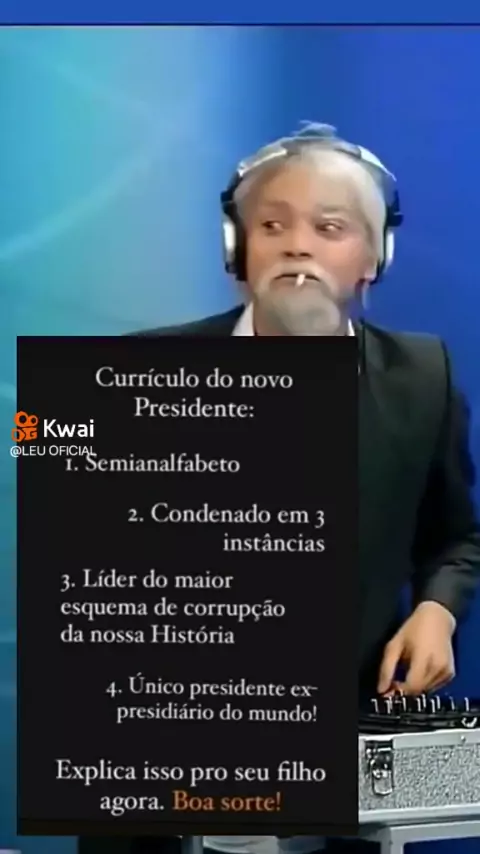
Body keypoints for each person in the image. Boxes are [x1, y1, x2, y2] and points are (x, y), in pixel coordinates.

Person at [79, 123, 480, 854]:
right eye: (272, 226)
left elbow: (456, 535)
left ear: (374, 259)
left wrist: (437, 611)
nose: (298, 246)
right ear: (237, 251)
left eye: (330, 228)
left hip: (345, 757)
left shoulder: (424, 377)